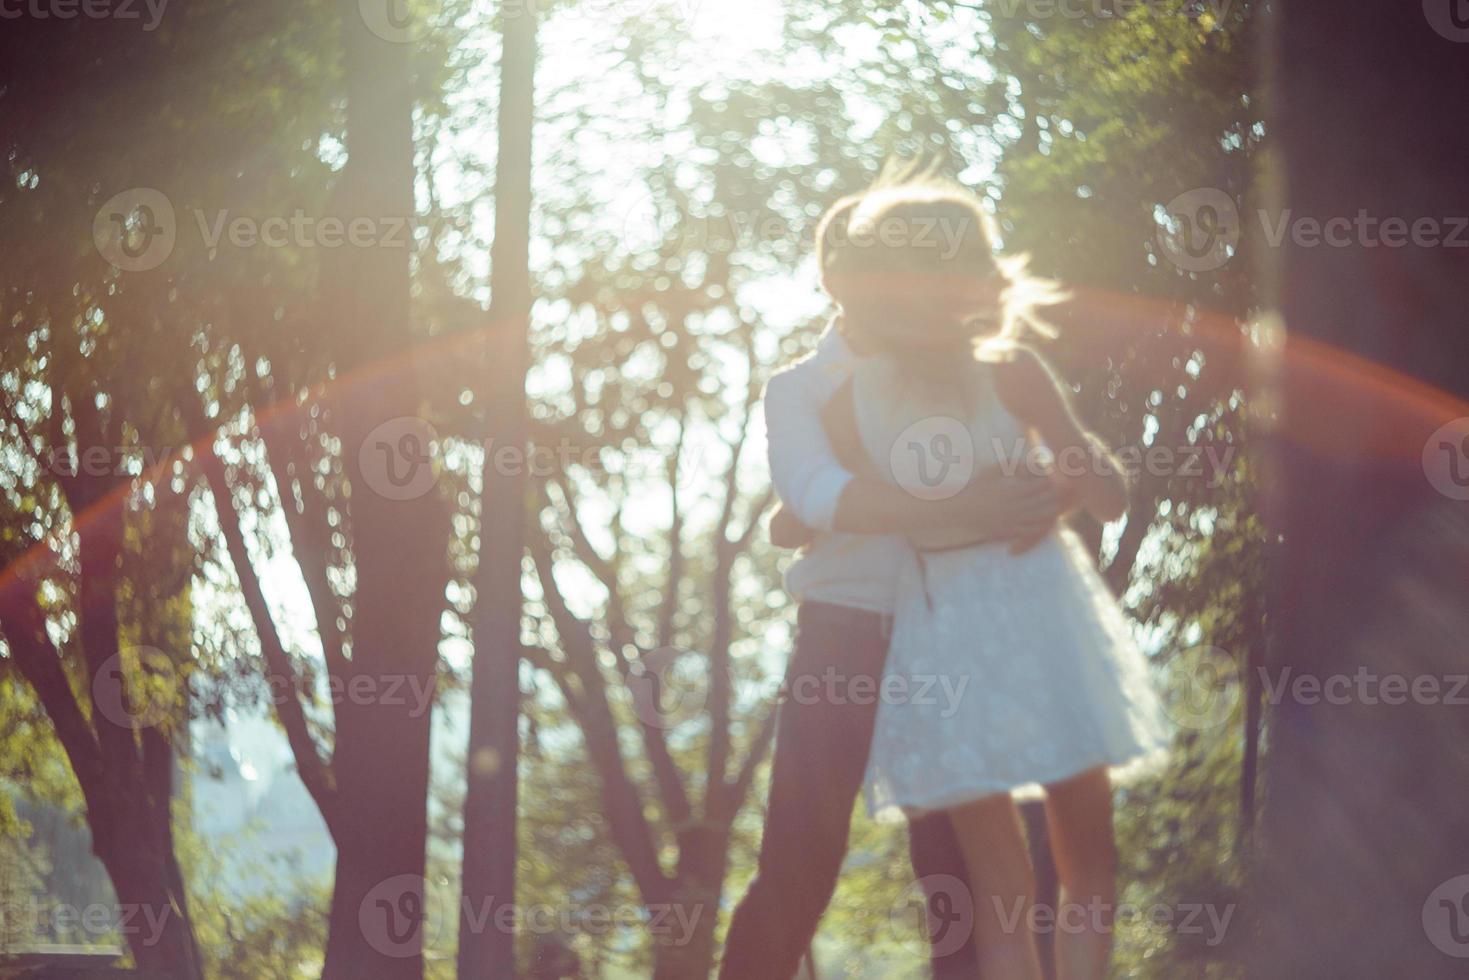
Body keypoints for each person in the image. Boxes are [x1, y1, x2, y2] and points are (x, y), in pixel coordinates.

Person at [717, 171, 1070, 980]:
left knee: (960, 878)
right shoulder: (798, 390)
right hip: (842, 638)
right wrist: (953, 502)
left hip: (955, 640)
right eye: (867, 264)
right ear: (832, 277)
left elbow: (1025, 490)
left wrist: (1011, 500)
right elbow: (819, 497)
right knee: (796, 871)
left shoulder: (972, 375)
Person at [823, 171, 1170, 980]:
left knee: (1049, 872)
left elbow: (1109, 496)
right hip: (979, 627)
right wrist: (1007, 499)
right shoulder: (880, 394)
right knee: (1040, 877)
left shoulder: (986, 377)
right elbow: (814, 514)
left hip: (1001, 620)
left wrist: (1062, 483)